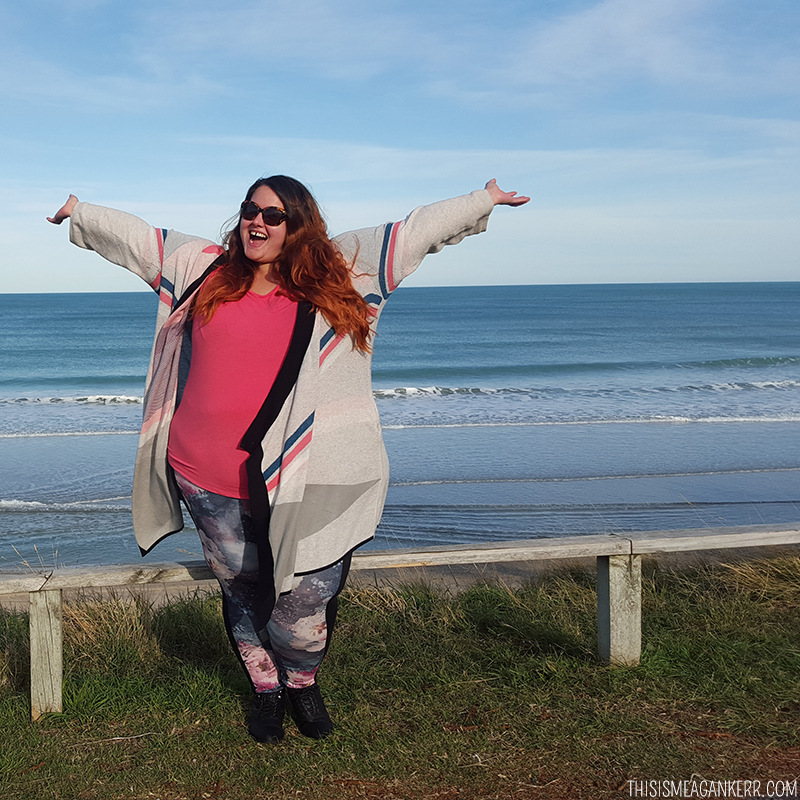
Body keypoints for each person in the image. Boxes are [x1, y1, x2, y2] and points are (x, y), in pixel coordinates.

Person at [47, 176, 529, 743]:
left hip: (307, 475)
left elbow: (414, 231)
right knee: (244, 590)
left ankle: (301, 679)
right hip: (207, 474)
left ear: (297, 223)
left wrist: (483, 200)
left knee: (305, 598)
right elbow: (140, 240)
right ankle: (266, 688)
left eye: (273, 215)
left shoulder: (345, 270)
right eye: (250, 210)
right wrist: (81, 210)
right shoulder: (203, 269)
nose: (257, 222)